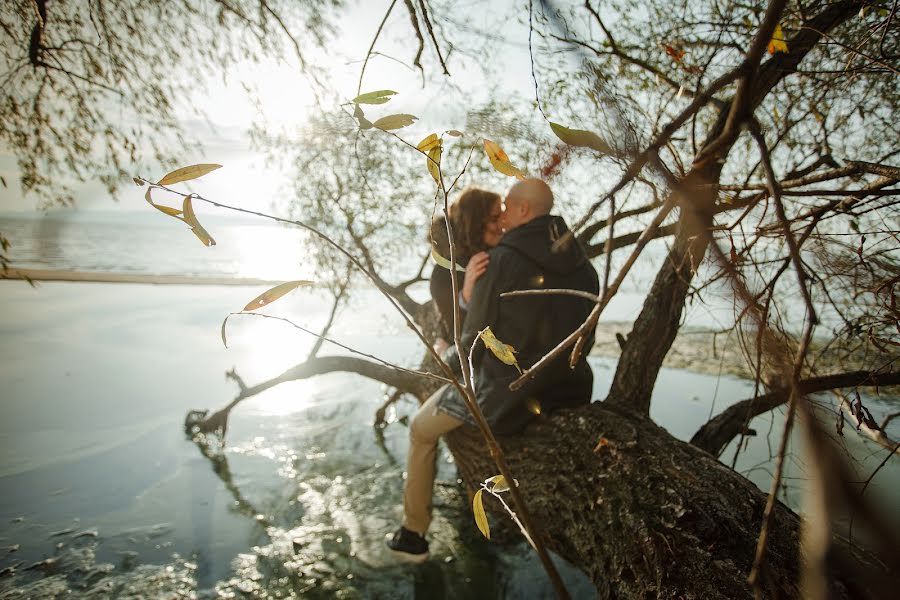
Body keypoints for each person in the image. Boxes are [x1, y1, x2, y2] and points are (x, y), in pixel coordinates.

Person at [387, 179, 600, 562]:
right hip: (569, 389)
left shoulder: (499, 260)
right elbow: (586, 337)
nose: (501, 218)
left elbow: (471, 344)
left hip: (510, 397)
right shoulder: (584, 266)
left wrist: (444, 364)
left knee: (420, 429)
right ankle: (484, 518)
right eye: (494, 214)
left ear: (522, 210)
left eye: (506, 208)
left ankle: (412, 535)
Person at [428, 187, 503, 346]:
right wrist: (466, 294)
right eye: (494, 219)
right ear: (475, 222)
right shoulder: (444, 272)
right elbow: (454, 333)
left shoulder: (501, 254)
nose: (502, 225)